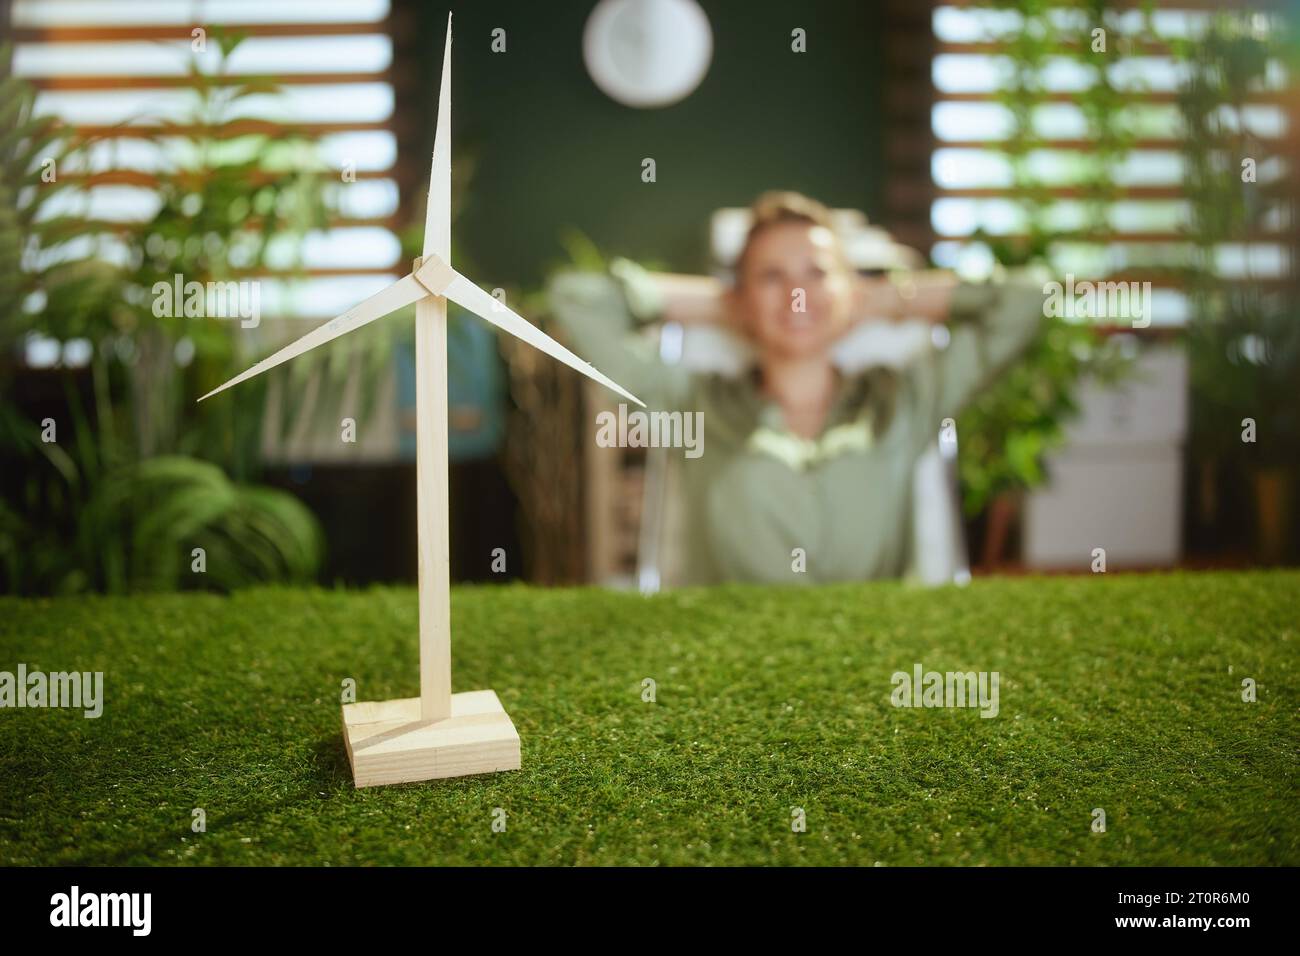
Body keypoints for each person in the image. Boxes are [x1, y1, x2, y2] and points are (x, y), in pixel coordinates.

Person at [548, 191, 1043, 584]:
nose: (797, 295)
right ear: (738, 298)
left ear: (850, 288)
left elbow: (1026, 298)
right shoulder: (691, 406)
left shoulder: (907, 398)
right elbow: (576, 299)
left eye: (817, 273)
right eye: (771, 277)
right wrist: (724, 305)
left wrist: (883, 298)